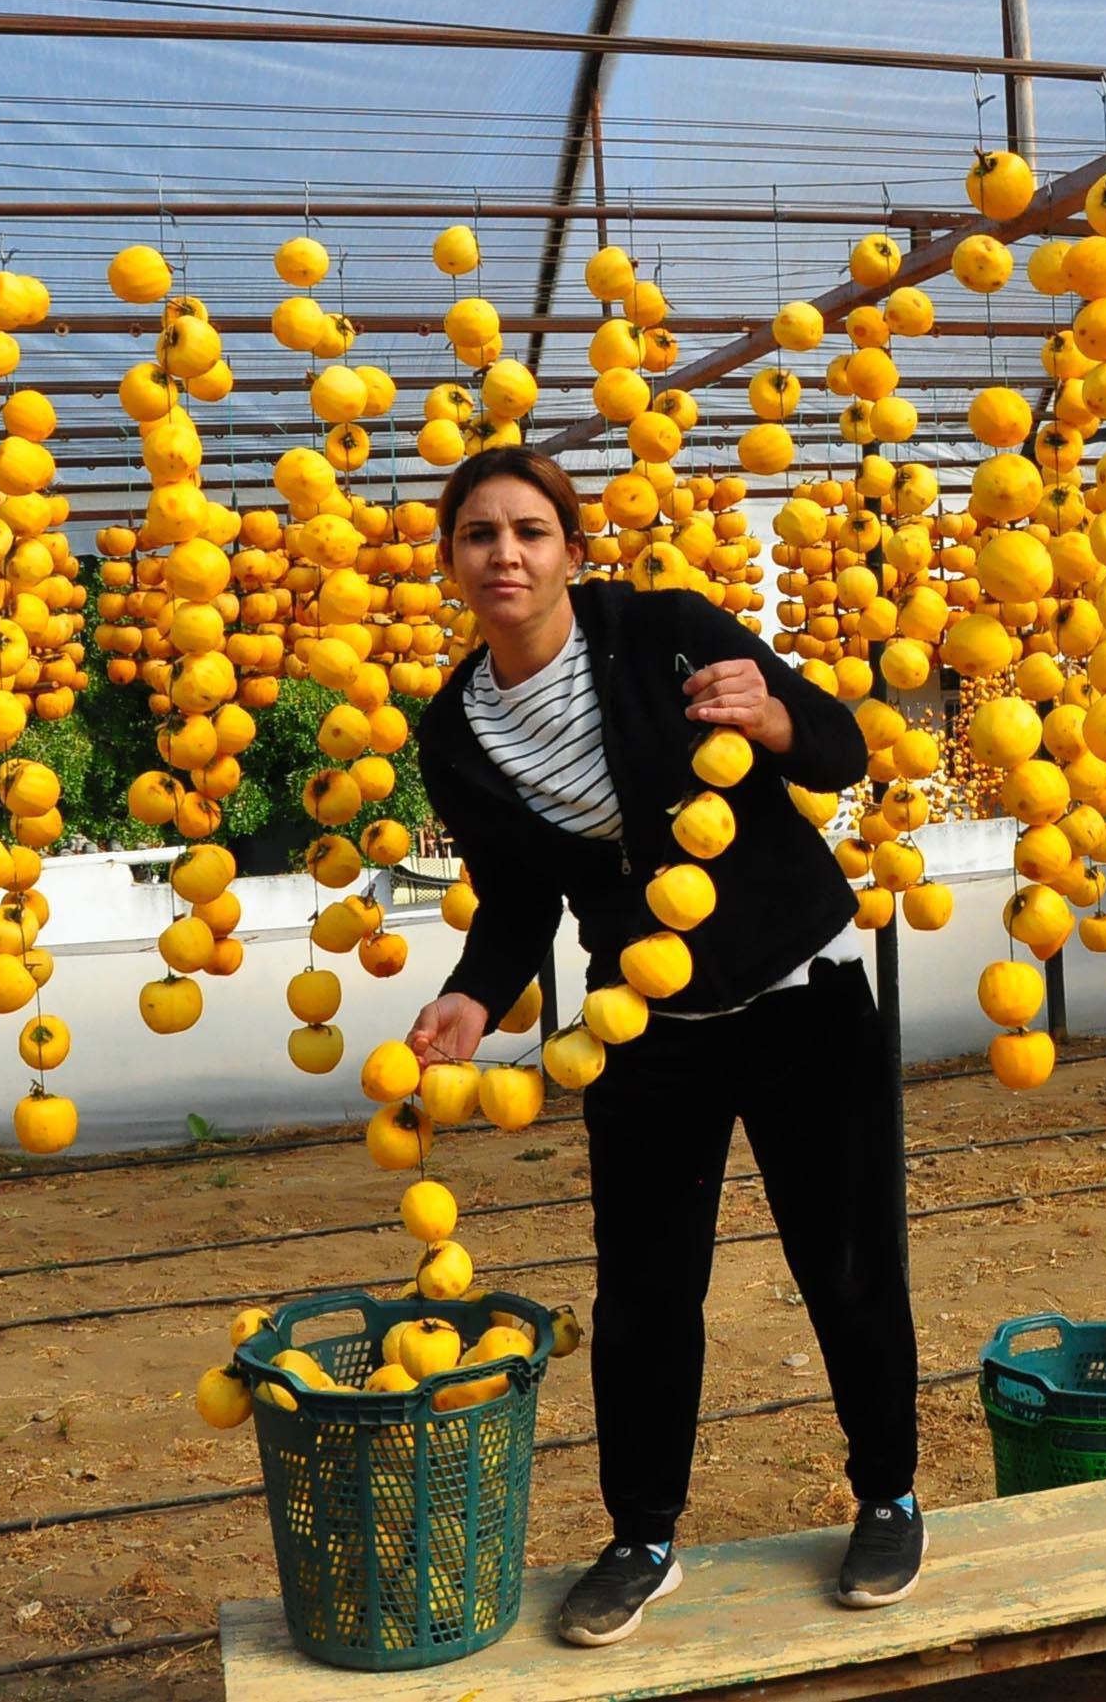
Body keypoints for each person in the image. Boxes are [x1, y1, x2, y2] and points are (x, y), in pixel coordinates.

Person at [405, 445, 922, 1648]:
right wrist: (474, 998)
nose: (506, 553)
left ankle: (889, 1494)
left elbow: (838, 754)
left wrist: (777, 713)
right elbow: (519, 899)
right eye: (478, 534)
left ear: (572, 550)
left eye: (529, 530)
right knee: (642, 1291)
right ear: (449, 563)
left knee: (846, 1258)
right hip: (645, 1026)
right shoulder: (457, 733)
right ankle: (643, 1535)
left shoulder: (663, 632)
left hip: (803, 994)